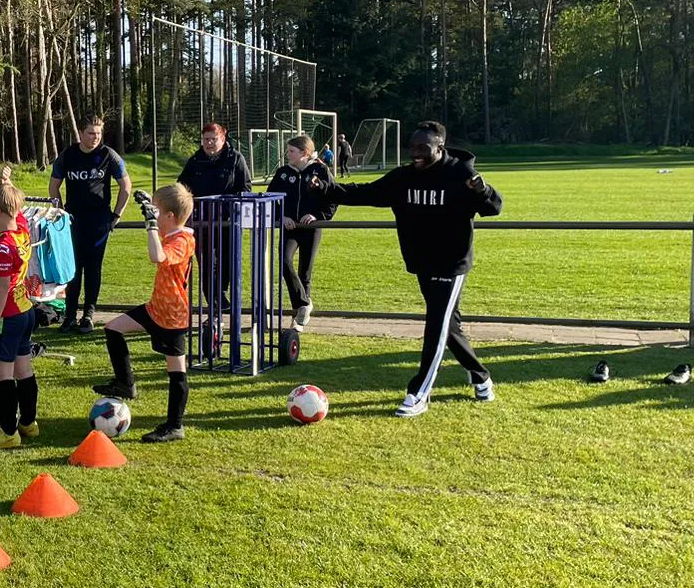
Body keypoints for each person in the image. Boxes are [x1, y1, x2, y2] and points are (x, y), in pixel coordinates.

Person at [312, 120, 503, 418]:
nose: (415, 154)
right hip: (422, 261)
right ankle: (481, 377)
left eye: (422, 148)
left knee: (436, 326)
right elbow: (366, 193)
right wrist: (326, 189)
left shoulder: (461, 174)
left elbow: (493, 208)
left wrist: (483, 190)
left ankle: (419, 394)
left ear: (440, 147)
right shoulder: (403, 177)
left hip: (451, 264)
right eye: (412, 148)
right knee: (448, 327)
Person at [91, 185, 196, 443]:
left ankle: (175, 426)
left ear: (170, 216)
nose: (155, 216)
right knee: (113, 328)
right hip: (155, 307)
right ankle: (125, 383)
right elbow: (159, 234)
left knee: (176, 371)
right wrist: (151, 207)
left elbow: (156, 256)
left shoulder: (183, 241)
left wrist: (150, 221)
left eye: (158, 212)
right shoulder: (171, 230)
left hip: (172, 316)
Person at [50, 115, 132, 334]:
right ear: (80, 133)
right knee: (73, 268)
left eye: (98, 133)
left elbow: (126, 185)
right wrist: (60, 212)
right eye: (90, 133)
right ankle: (69, 316)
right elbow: (54, 185)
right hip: (72, 222)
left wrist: (117, 214)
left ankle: (88, 315)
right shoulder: (68, 155)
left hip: (99, 221)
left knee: (93, 268)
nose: (95, 137)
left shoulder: (108, 155)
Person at [0, 181, 39, 450]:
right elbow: (17, 210)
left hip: (8, 315)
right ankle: (29, 422)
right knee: (24, 370)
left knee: (3, 375)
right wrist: (7, 185)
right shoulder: (21, 231)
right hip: (25, 311)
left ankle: (8, 433)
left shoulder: (2, 245)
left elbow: (2, 287)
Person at [177, 123, 252, 313]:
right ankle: (215, 303)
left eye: (213, 139)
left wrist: (234, 203)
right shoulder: (195, 161)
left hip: (227, 221)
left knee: (227, 261)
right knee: (207, 263)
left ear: (223, 139)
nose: (209, 143)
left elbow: (245, 187)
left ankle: (224, 298)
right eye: (206, 139)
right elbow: (182, 187)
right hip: (202, 221)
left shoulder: (235, 158)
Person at [265, 134, 334, 327]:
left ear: (304, 153)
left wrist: (317, 216)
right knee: (284, 262)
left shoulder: (320, 170)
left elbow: (332, 197)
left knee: (305, 272)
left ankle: (299, 319)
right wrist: (282, 217)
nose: (287, 154)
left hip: (312, 228)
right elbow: (270, 198)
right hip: (290, 227)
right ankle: (303, 304)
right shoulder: (283, 173)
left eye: (291, 151)